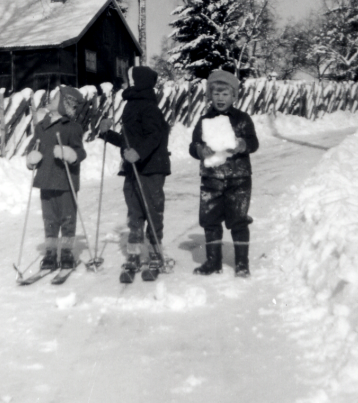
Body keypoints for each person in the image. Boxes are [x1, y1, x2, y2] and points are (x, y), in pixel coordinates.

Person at [99, 65, 171, 280]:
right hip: (133, 168)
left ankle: (155, 253)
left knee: (152, 210)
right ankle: (134, 254)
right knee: (135, 213)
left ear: (138, 83)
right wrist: (106, 134)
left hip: (151, 168)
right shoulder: (132, 105)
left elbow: (155, 135)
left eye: (128, 79)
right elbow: (128, 141)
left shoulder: (148, 107)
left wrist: (139, 153)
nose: (124, 83)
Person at [188, 69, 259, 277]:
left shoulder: (242, 119)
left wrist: (241, 144)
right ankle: (213, 262)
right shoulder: (204, 120)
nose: (220, 98)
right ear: (210, 95)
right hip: (211, 178)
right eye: (216, 93)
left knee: (239, 220)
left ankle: (242, 263)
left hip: (239, 179)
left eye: (225, 94)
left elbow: (254, 143)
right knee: (210, 221)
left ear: (234, 96)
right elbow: (193, 145)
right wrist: (200, 150)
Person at [26, 85, 86, 271]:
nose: (50, 100)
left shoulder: (72, 128)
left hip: (66, 181)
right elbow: (33, 147)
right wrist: (31, 158)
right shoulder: (41, 127)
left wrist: (71, 154)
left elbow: (80, 151)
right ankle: (50, 253)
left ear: (65, 105)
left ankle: (67, 252)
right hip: (46, 180)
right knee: (49, 219)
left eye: (55, 98)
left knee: (67, 218)